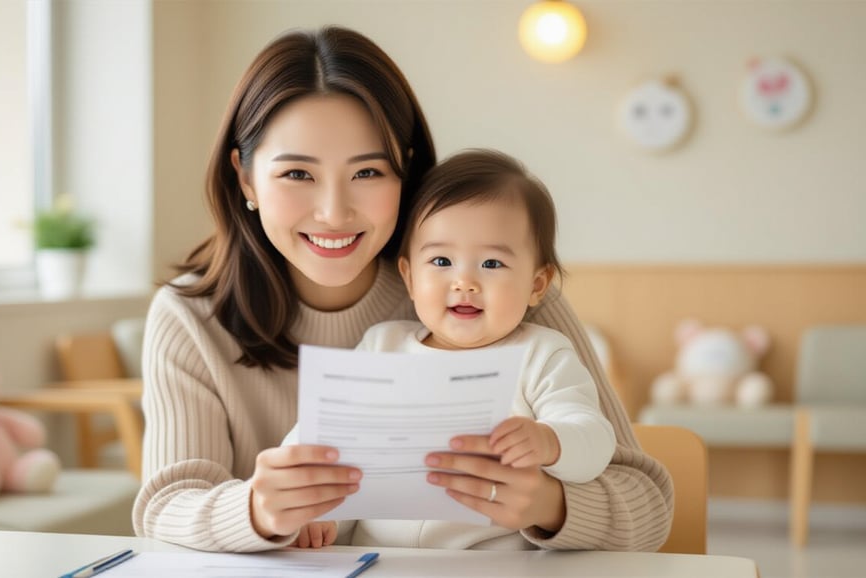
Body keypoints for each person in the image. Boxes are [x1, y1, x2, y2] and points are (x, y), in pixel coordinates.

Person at [133, 26, 672, 553]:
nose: (334, 213)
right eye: (297, 174)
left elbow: (647, 505)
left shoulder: (494, 293)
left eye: (368, 172)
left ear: (405, 175)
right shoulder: (190, 317)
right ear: (246, 177)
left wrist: (548, 504)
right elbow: (163, 509)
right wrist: (255, 510)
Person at [291, 149, 616, 549]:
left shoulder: (541, 355)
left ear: (537, 284)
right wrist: (314, 513)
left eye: (492, 264)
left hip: (491, 564)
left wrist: (551, 441)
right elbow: (321, 438)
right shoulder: (381, 347)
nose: (464, 282)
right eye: (442, 260)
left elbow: (596, 441)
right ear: (410, 277)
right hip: (377, 559)